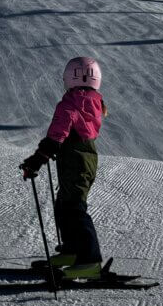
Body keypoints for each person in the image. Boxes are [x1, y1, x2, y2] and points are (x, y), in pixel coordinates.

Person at [20, 57, 107, 277]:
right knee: (65, 205)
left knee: (74, 208)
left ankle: (89, 261)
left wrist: (36, 160)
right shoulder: (94, 101)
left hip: (75, 161)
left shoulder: (70, 104)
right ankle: (72, 251)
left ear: (69, 78)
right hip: (84, 159)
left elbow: (57, 136)